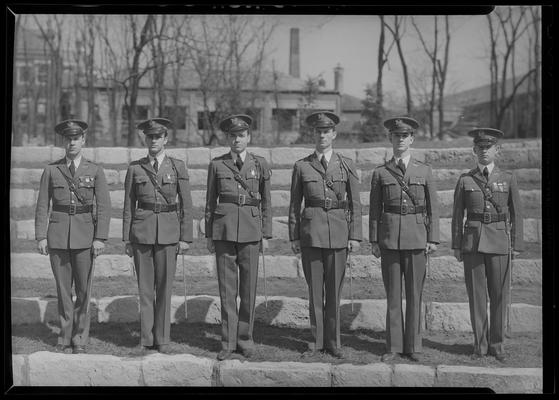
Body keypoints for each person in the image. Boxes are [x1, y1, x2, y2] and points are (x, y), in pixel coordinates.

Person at [288, 111, 362, 358]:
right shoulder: (302, 166)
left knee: (334, 291)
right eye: (318, 131)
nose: (322, 135)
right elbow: (294, 204)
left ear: (334, 134)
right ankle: (317, 341)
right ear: (313, 134)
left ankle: (333, 341)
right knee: (315, 291)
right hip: (311, 235)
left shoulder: (346, 165)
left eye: (326, 131)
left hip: (339, 233)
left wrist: (355, 236)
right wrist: (294, 236)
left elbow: (356, 204)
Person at [35, 119, 111, 354]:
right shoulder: (51, 170)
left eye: (75, 138)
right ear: (63, 142)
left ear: (83, 140)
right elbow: (41, 206)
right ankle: (65, 337)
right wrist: (41, 236)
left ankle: (79, 338)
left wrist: (100, 238)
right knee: (63, 290)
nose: (71, 143)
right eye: (68, 139)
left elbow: (105, 207)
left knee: (84, 291)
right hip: (57, 236)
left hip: (85, 237)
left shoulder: (95, 170)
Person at [369, 116, 439, 363]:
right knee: (393, 295)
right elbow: (375, 208)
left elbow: (433, 208)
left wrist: (433, 238)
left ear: (412, 139)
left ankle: (414, 345)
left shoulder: (424, 170)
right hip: (389, 239)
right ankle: (394, 346)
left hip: (417, 238)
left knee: (415, 294)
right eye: (396, 135)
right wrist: (374, 240)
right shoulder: (380, 172)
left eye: (405, 136)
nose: (400, 140)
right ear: (390, 138)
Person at [451, 128, 523, 362]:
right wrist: (456, 244)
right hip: (473, 244)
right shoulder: (465, 180)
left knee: (499, 296)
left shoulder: (508, 178)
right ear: (474, 150)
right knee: (477, 297)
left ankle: (497, 344)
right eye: (480, 148)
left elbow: (517, 213)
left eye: (488, 147)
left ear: (496, 150)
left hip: (500, 242)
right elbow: (456, 214)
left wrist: (517, 244)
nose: (484, 151)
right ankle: (480, 345)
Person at [205, 114, 272, 361]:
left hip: (251, 232)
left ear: (248, 137)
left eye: (241, 135)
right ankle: (228, 341)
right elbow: (210, 202)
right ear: (227, 138)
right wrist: (210, 235)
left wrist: (266, 232)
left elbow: (267, 201)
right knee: (227, 289)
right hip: (223, 231)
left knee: (248, 289)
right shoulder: (217, 165)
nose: (236, 140)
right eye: (232, 136)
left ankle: (245, 339)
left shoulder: (259, 164)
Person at [123, 117, 193, 354]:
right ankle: (146, 338)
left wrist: (185, 237)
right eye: (150, 136)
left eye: (158, 137)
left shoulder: (177, 167)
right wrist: (127, 239)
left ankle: (162, 338)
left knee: (164, 287)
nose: (153, 140)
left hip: (168, 233)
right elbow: (128, 205)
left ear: (165, 139)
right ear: (145, 139)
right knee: (144, 289)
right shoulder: (135, 168)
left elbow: (187, 204)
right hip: (141, 234)